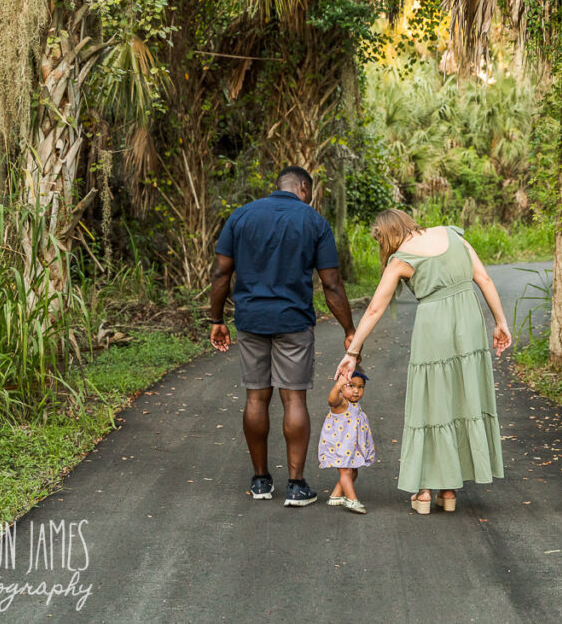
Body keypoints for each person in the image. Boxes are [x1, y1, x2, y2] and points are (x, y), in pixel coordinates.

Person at [334, 209, 511, 514]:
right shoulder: (453, 235)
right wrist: (500, 321)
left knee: (430, 403)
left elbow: (375, 309)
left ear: (386, 235)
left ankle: (425, 491)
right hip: (469, 324)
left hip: (434, 328)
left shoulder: (401, 258)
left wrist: (352, 353)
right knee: (460, 399)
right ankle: (449, 490)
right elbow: (483, 278)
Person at [210, 166, 356, 507]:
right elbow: (331, 283)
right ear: (303, 187)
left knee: (256, 399)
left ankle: (260, 480)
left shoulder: (241, 216)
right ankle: (295, 485)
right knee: (294, 400)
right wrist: (350, 330)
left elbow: (221, 271)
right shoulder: (314, 222)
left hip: (251, 320)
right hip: (293, 322)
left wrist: (217, 318)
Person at [319, 368, 375, 515]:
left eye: (360, 387)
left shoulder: (354, 404)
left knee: (353, 471)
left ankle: (336, 495)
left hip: (351, 446)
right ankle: (351, 499)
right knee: (346, 471)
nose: (356, 391)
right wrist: (337, 386)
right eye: (351, 386)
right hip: (339, 445)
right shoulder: (341, 402)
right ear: (342, 386)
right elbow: (331, 400)